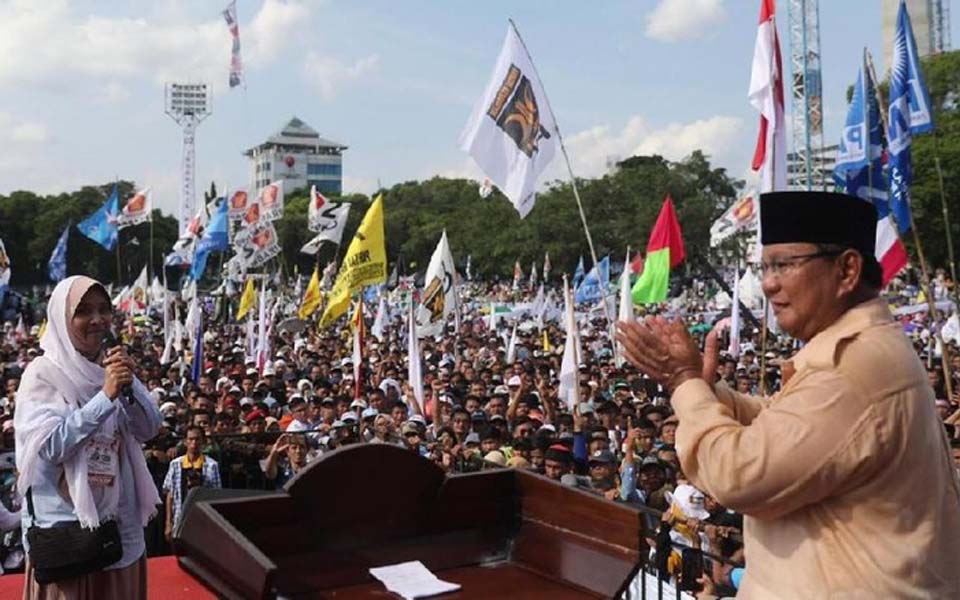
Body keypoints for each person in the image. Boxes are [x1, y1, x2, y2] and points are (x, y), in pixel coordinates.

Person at [617, 191, 960, 597]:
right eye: (764, 267)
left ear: (847, 269)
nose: (767, 284)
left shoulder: (852, 366)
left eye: (783, 265)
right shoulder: (860, 349)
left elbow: (738, 474)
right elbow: (785, 424)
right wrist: (710, 390)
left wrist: (683, 382)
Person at [14, 276, 161, 599]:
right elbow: (50, 448)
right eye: (83, 311)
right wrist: (104, 398)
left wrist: (129, 384)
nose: (97, 320)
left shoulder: (109, 370)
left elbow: (149, 429)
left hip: (119, 530)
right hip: (69, 538)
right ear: (62, 318)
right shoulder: (42, 374)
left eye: (103, 309)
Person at [162, 425, 221, 542]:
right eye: (190, 439)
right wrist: (168, 522)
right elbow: (170, 494)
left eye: (197, 439)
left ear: (203, 441)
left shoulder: (211, 465)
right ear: (185, 441)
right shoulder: (175, 464)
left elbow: (216, 495)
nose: (194, 443)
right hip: (180, 516)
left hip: (203, 518)